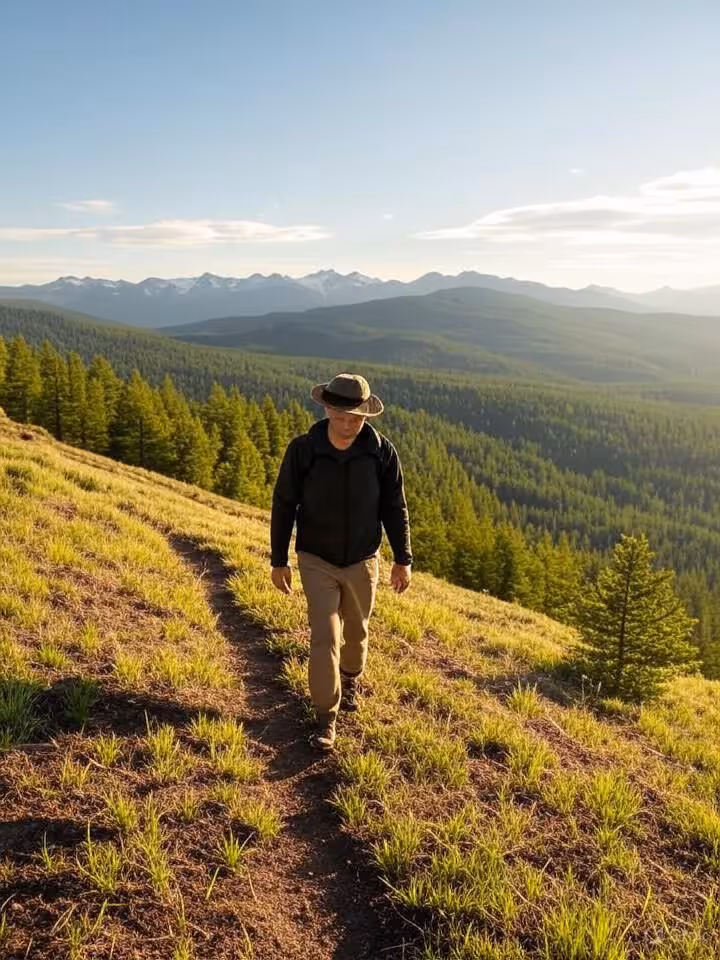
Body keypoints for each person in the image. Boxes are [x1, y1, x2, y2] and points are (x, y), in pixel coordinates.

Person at [270, 372, 412, 750]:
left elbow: (394, 508)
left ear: (366, 415)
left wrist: (403, 558)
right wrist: (279, 559)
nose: (348, 424)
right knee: (324, 636)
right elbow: (284, 504)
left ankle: (350, 680)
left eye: (356, 418)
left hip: (363, 560)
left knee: (356, 634)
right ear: (328, 409)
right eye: (341, 415)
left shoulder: (382, 453)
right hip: (315, 557)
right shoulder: (304, 450)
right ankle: (325, 717)